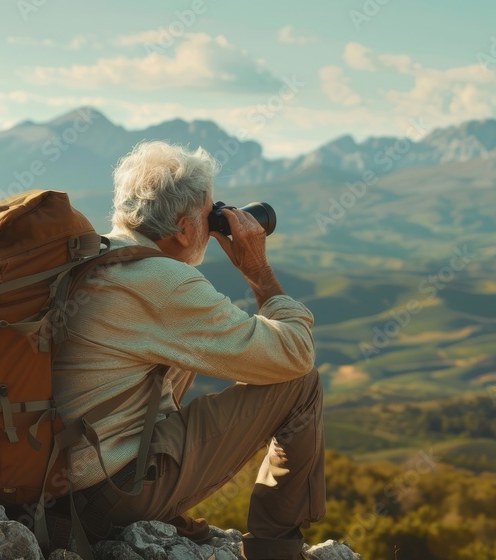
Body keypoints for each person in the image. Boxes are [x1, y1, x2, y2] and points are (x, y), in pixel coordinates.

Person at [51, 140, 325, 560]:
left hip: (47, 483)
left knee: (179, 359)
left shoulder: (92, 255)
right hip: (106, 495)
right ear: (183, 229)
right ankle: (276, 550)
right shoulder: (164, 282)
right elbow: (294, 353)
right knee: (301, 383)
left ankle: (160, 505)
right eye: (210, 214)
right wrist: (259, 273)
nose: (216, 225)